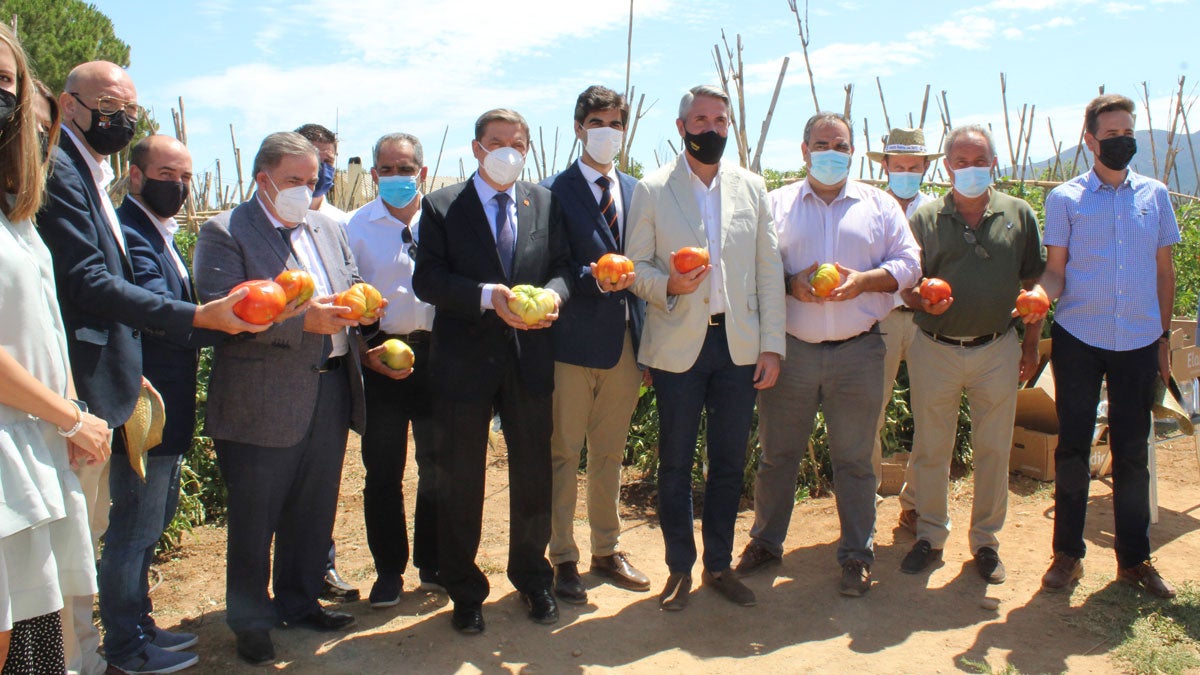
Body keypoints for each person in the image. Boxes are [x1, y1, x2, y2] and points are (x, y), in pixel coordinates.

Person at [36, 60, 263, 675]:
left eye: (131, 109)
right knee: (98, 540)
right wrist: (201, 319)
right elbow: (91, 284)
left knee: (110, 534)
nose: (121, 118)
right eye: (109, 105)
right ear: (66, 104)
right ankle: (119, 648)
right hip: (91, 398)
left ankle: (114, 641)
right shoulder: (59, 171)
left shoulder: (93, 181)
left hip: (118, 388)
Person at [193, 131, 373, 665]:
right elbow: (224, 310)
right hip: (262, 396)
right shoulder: (226, 233)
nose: (306, 189)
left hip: (331, 386)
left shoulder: (325, 227)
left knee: (313, 508)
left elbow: (353, 278)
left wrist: (357, 304)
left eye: (313, 180)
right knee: (256, 514)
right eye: (295, 181)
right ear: (263, 180)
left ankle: (299, 599)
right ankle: (250, 619)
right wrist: (306, 321)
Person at [733, 112, 921, 597]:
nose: (831, 152)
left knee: (856, 460)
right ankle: (765, 542)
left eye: (840, 145)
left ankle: (857, 554)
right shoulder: (775, 206)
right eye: (822, 144)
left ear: (852, 152)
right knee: (778, 455)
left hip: (859, 352)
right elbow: (753, 272)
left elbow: (909, 264)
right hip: (791, 352)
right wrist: (792, 284)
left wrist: (864, 280)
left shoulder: (879, 206)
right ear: (803, 150)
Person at [411, 108, 573, 634]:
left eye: (518, 142)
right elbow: (428, 280)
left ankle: (532, 578)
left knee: (533, 473)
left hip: (529, 357)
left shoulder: (543, 201)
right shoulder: (441, 206)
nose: (508, 150)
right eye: (497, 141)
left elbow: (564, 268)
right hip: (464, 361)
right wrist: (485, 297)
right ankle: (464, 588)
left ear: (527, 149)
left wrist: (552, 295)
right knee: (460, 477)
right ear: (477, 147)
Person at [625, 85, 785, 610]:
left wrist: (771, 346)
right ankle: (679, 568)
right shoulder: (652, 189)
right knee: (674, 463)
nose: (711, 127)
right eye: (700, 118)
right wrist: (669, 286)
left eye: (720, 119)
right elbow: (635, 269)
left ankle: (718, 563)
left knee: (728, 461)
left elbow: (767, 271)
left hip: (737, 347)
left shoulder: (752, 188)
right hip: (678, 345)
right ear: (681, 127)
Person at [1028, 94, 1179, 598]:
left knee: (1133, 450)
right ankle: (1067, 554)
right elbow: (1055, 270)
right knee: (1073, 449)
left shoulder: (1154, 195)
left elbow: (1164, 270)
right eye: (1111, 135)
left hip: (1137, 340)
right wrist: (1038, 298)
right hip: (1079, 338)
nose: (1122, 142)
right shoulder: (1066, 199)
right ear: (1090, 139)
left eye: (1128, 133)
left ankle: (1135, 559)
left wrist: (1161, 338)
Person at [0, 23, 111, 673]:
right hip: (12, 458)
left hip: (32, 457)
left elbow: (41, 320)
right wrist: (68, 414)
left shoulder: (16, 213)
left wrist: (68, 410)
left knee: (38, 641)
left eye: (5, 82)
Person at [897, 124, 1045, 584]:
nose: (970, 169)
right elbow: (906, 287)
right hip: (935, 348)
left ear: (994, 165)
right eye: (960, 162)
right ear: (946, 168)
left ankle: (985, 542)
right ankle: (930, 534)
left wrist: (1032, 343)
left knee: (994, 449)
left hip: (997, 347)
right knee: (931, 447)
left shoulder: (1018, 215)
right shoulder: (925, 219)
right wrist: (923, 299)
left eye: (979, 160)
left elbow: (1034, 284)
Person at [98, 135, 207, 673]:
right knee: (134, 527)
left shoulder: (157, 231)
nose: (180, 188)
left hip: (168, 405)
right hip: (146, 408)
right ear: (136, 176)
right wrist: (220, 321)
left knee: (151, 521)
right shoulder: (131, 232)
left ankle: (140, 625)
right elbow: (156, 307)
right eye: (168, 175)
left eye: (185, 177)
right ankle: (124, 645)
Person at [541, 85, 650, 605]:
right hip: (570, 344)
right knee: (563, 452)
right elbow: (550, 266)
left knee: (609, 452)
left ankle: (607, 549)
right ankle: (562, 556)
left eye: (616, 123)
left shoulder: (636, 189)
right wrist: (593, 277)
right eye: (597, 122)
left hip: (624, 344)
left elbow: (646, 262)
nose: (607, 132)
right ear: (579, 126)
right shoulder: (551, 192)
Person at [345, 132, 440, 607]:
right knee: (383, 472)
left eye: (405, 169)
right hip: (380, 358)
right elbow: (348, 299)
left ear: (421, 172)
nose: (396, 177)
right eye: (386, 169)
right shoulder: (355, 227)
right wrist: (367, 350)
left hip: (438, 357)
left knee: (436, 466)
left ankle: (432, 562)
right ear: (374, 175)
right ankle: (388, 571)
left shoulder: (444, 220)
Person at [864, 128, 941, 523]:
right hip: (883, 319)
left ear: (926, 167)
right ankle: (869, 497)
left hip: (927, 323)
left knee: (930, 413)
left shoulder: (939, 211)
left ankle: (915, 502)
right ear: (885, 168)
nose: (906, 173)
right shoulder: (870, 208)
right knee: (870, 411)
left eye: (914, 167)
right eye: (899, 167)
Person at [294, 123, 357, 602]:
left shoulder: (336, 224)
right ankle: (284, 588)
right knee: (278, 488)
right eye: (315, 157)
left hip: (335, 372)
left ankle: (320, 567)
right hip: (285, 377)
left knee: (322, 485)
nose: (324, 167)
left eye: (329, 158)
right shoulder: (244, 227)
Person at [296, 122, 350, 228]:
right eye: (315, 159)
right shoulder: (277, 217)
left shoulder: (343, 224)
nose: (321, 168)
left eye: (328, 161)